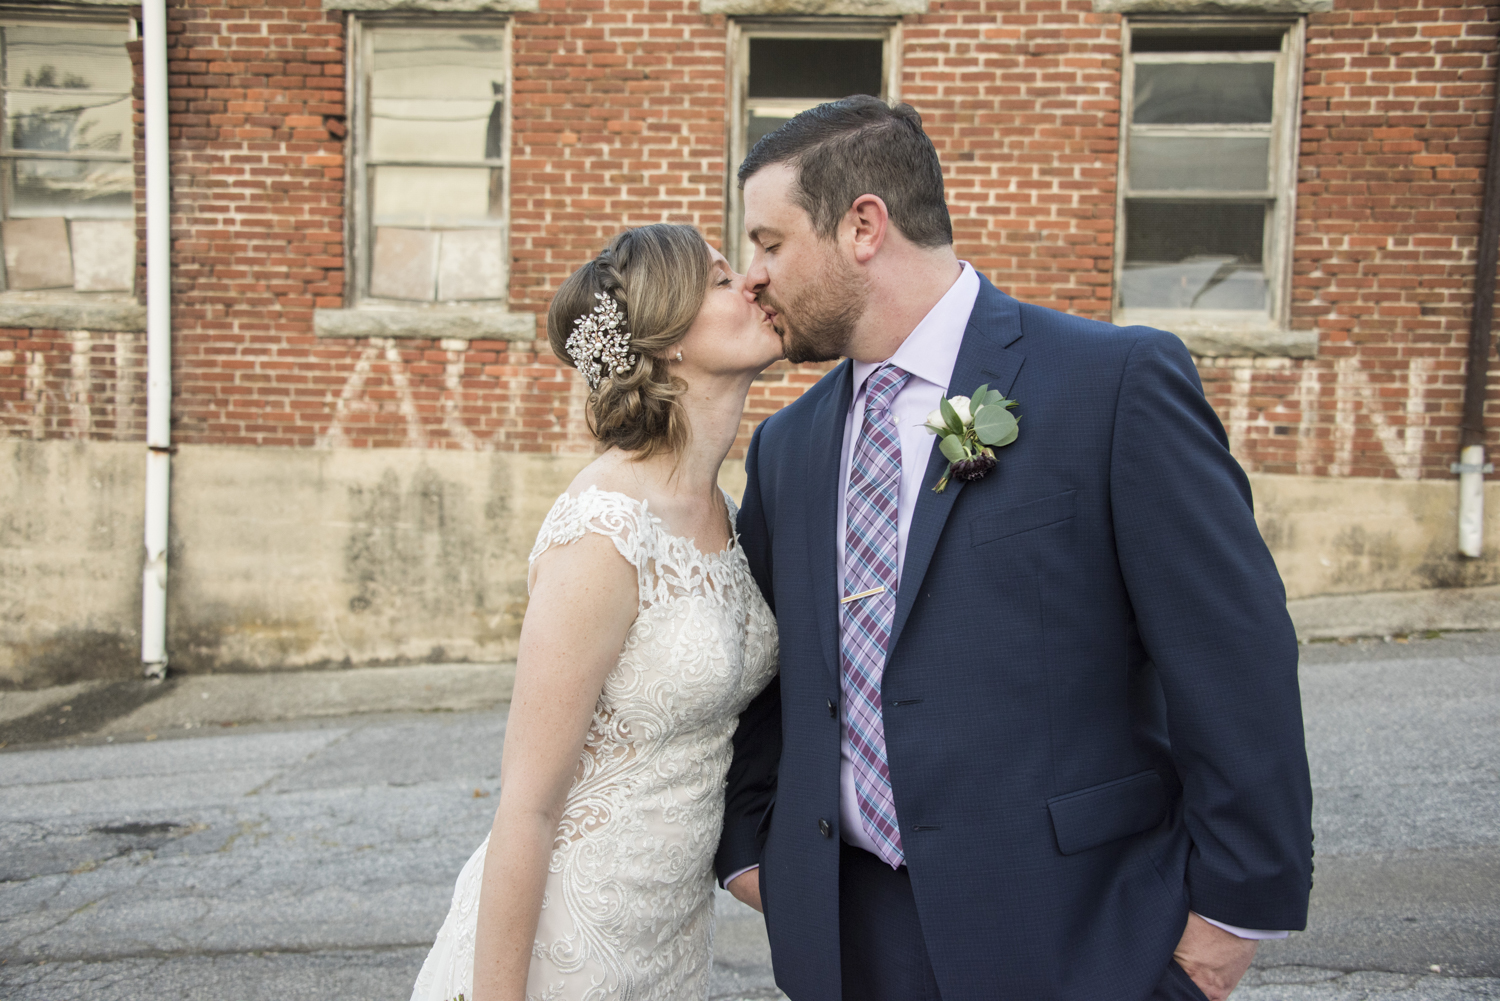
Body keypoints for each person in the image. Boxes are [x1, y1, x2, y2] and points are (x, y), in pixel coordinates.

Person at [714, 96, 1314, 1001]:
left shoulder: (1113, 385)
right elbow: (763, 682)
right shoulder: (788, 446)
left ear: (863, 226)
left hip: (1079, 933)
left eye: (769, 242)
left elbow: (1235, 659)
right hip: (849, 942)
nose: (753, 276)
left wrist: (1227, 921)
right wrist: (756, 852)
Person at [410, 223, 783, 1001]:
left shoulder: (723, 505)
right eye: (720, 279)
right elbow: (527, 804)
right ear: (670, 339)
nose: (750, 282)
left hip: (669, 943)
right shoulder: (605, 529)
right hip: (567, 946)